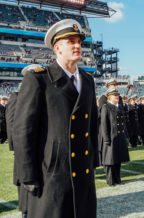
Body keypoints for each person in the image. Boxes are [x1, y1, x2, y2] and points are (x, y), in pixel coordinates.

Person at [13, 19, 98, 218]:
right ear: (58, 48)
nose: (78, 46)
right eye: (71, 41)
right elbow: (23, 131)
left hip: (83, 174)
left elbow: (92, 124)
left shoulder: (87, 80)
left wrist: (92, 161)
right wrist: (28, 176)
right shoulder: (38, 79)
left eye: (79, 41)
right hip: (51, 175)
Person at [6, 64, 43, 218]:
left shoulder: (45, 93)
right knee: (26, 187)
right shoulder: (16, 96)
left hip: (42, 150)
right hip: (25, 150)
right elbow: (12, 122)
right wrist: (17, 148)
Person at [100, 88, 130, 186]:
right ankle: (110, 180)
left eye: (117, 95)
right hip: (111, 137)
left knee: (118, 159)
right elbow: (104, 124)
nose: (117, 96)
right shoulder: (106, 107)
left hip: (120, 137)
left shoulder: (120, 107)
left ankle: (118, 179)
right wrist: (106, 139)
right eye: (114, 95)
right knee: (110, 161)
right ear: (109, 97)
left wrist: (125, 135)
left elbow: (124, 123)